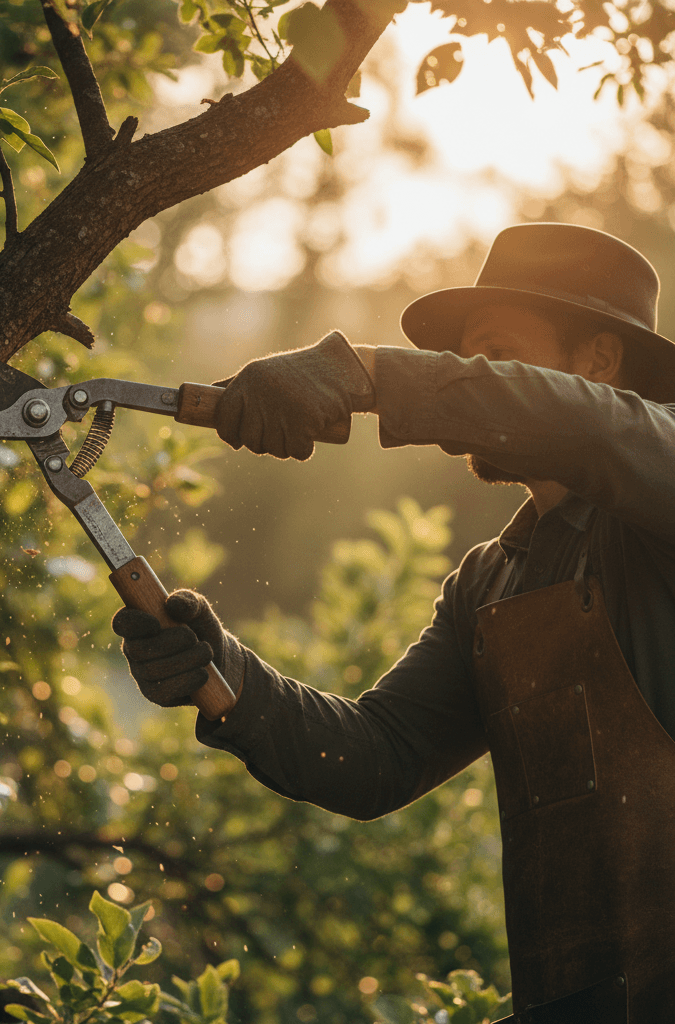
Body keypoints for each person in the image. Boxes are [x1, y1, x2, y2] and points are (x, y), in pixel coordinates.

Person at [112, 223, 675, 1023]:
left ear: (599, 362)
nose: (474, 382)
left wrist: (363, 372)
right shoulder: (490, 579)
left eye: (493, 358)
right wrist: (223, 677)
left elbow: (598, 430)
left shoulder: (663, 477)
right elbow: (376, 757)